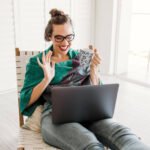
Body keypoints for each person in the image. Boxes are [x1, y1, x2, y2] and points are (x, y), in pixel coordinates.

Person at [20, 8, 150, 150]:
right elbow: (25, 99)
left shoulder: (82, 56)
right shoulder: (38, 61)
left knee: (124, 135)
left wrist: (94, 70)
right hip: (54, 115)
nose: (65, 43)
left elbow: (95, 93)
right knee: (89, 144)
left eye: (69, 37)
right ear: (49, 36)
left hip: (87, 111)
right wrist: (47, 79)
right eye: (59, 37)